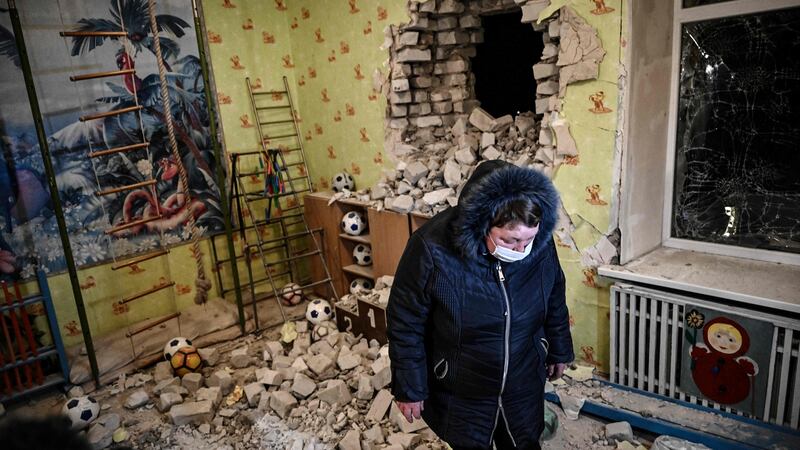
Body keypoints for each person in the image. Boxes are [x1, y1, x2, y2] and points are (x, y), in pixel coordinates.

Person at [387, 160, 573, 450]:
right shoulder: (432, 247)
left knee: (524, 441)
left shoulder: (539, 244)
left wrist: (559, 349)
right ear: (484, 223)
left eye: (528, 239)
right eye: (510, 241)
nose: (521, 250)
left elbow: (554, 295)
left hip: (523, 378)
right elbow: (405, 319)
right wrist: (410, 387)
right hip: (462, 387)